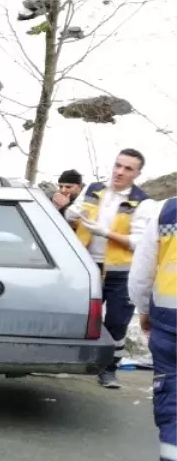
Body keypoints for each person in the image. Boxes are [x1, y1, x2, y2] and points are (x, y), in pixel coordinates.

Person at [69, 148, 156, 388]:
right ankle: (74, 362)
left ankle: (108, 370)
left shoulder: (143, 202)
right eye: (118, 165)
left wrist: (104, 233)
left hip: (121, 272)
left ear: (137, 173)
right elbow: (71, 216)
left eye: (127, 168)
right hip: (86, 265)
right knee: (79, 317)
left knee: (117, 323)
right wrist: (71, 213)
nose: (119, 172)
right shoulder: (93, 190)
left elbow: (140, 242)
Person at [128, 195, 177, 461]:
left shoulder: (167, 211)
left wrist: (144, 309)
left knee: (174, 415)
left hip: (170, 326)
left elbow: (143, 271)